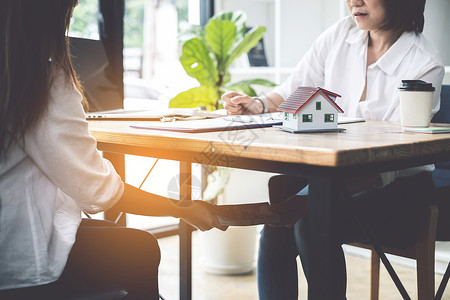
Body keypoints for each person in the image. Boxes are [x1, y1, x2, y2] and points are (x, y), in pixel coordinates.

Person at [0, 1, 226, 299]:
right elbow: (98, 192)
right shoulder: (41, 82)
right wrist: (181, 208)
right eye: (69, 13)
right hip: (18, 261)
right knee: (140, 249)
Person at [222, 0, 444, 299]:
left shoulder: (423, 62)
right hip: (333, 181)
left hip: (398, 191)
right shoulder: (341, 34)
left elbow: (395, 157)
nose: (354, 1)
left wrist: (314, 197)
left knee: (310, 221)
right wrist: (258, 105)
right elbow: (293, 91)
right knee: (278, 223)